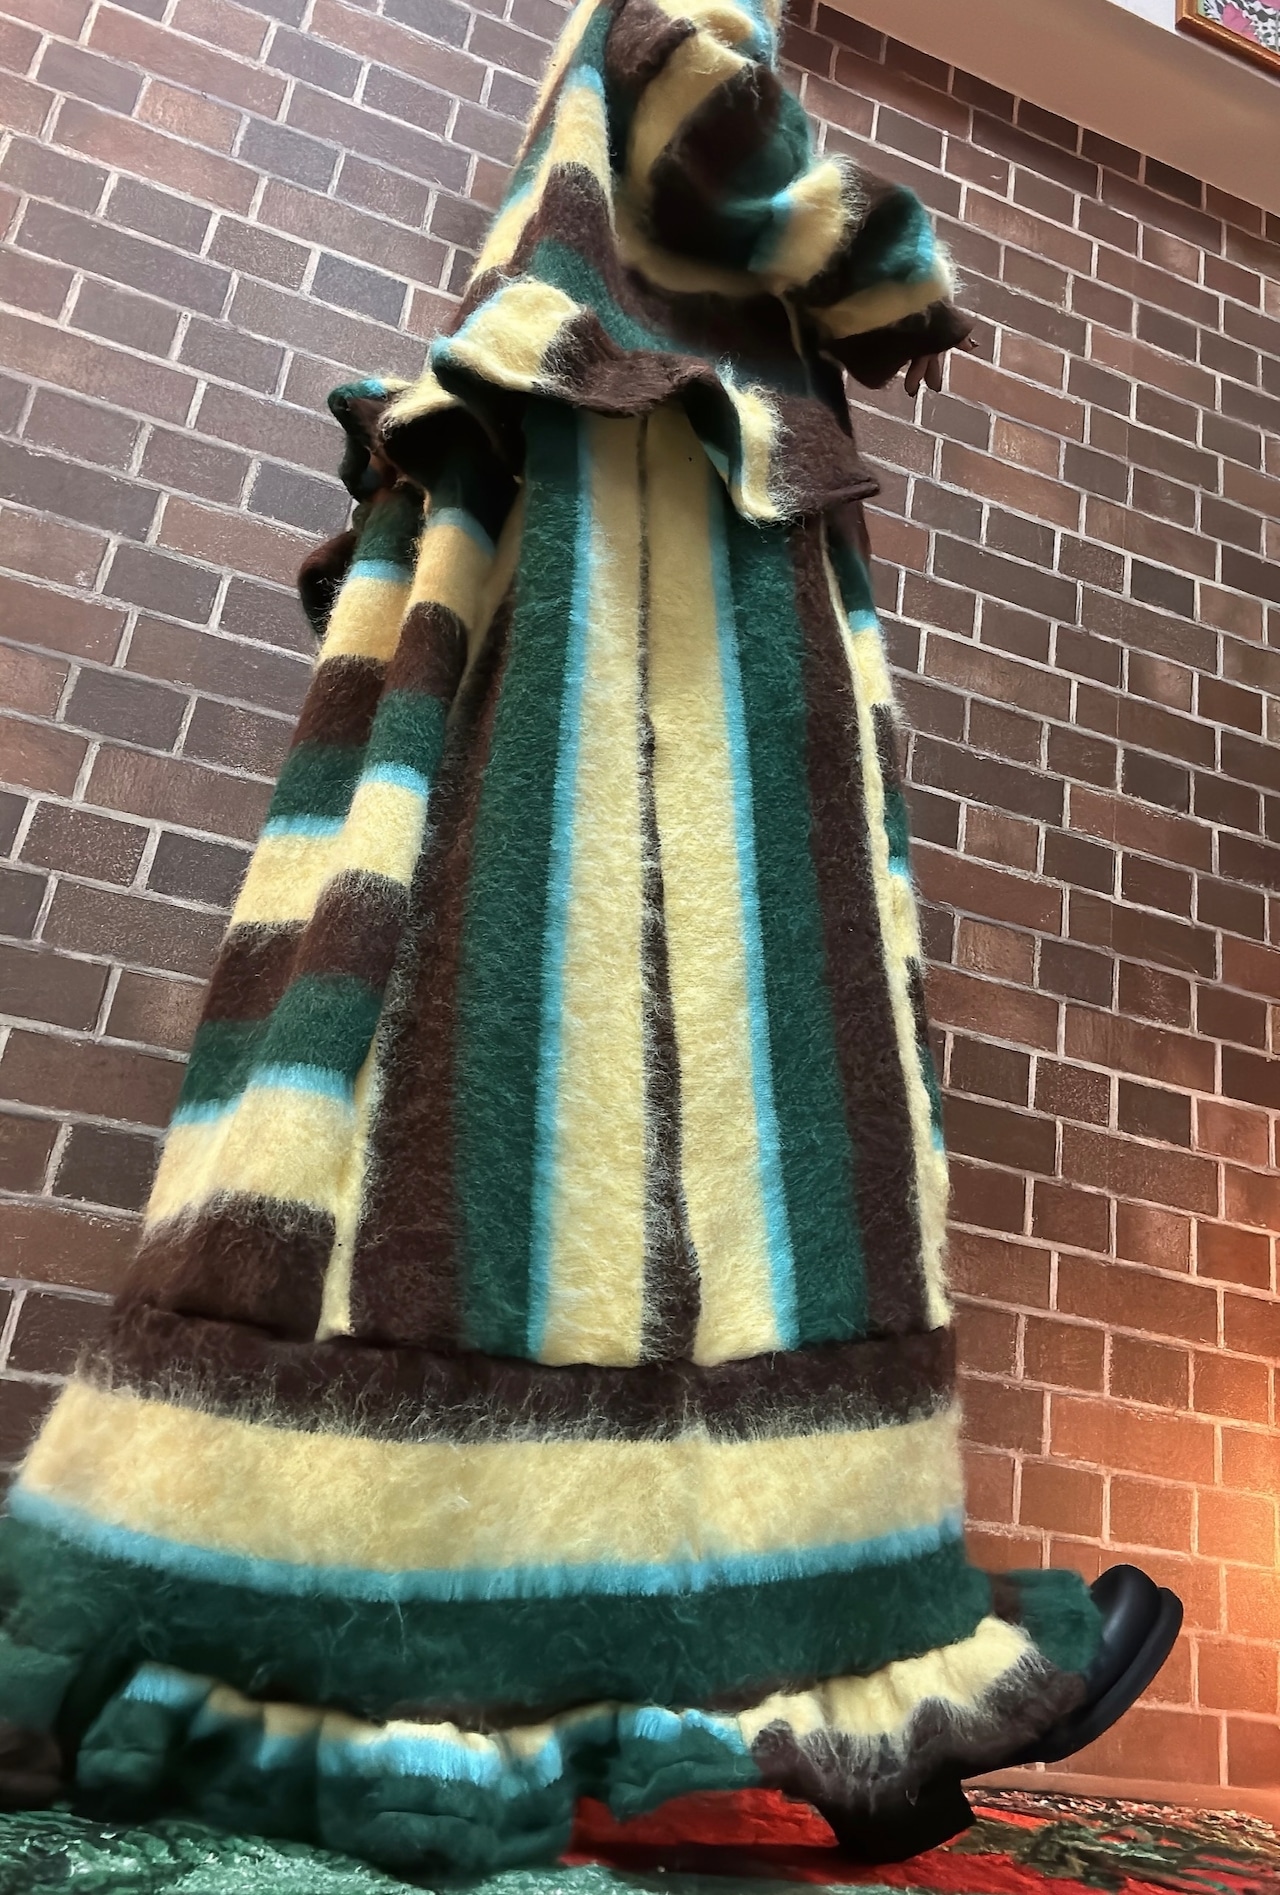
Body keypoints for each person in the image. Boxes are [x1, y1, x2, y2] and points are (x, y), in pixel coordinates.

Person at [0, 0, 1181, 1872]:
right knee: (752, 1085)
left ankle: (209, 1640)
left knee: (453, 1098)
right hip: (652, 551)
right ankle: (850, 1688)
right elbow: (697, 91)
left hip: (578, 521)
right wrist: (887, 267)